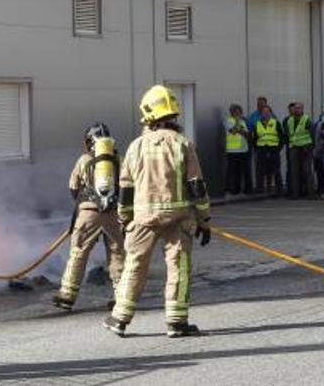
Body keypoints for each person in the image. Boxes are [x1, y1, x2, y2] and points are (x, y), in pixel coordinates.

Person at [105, 85, 210, 338]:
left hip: (142, 218)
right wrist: (204, 220)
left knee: (134, 266)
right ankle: (176, 322)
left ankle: (119, 319)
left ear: (148, 115)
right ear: (173, 115)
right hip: (179, 218)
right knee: (179, 267)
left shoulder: (136, 146)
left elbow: (125, 188)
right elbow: (196, 185)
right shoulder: (183, 144)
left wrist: (123, 219)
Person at [53, 123, 127, 311]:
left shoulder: (84, 159)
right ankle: (121, 298)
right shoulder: (120, 159)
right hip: (113, 214)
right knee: (117, 254)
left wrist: (85, 203)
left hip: (89, 214)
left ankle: (67, 296)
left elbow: (73, 186)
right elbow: (128, 187)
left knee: (78, 252)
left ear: (89, 141)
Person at [283, 102, 315, 199]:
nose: (296, 110)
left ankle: (311, 193)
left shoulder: (306, 120)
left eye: (299, 108)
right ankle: (295, 193)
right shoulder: (289, 120)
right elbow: (289, 134)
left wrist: (309, 147)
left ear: (302, 109)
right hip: (294, 147)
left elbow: (311, 134)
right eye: (295, 108)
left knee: (307, 171)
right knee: (294, 171)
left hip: (305, 147)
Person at [253, 104, 284, 195]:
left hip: (273, 149)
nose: (266, 114)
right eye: (264, 112)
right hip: (261, 149)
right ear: (261, 114)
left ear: (270, 113)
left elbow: (281, 137)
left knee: (276, 171)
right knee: (260, 171)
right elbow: (254, 138)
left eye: (267, 112)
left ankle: (279, 190)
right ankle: (260, 190)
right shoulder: (257, 124)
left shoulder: (276, 123)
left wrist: (278, 148)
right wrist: (257, 148)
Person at [246, 96, 275, 189]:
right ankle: (259, 187)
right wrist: (254, 144)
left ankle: (269, 186)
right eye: (258, 104)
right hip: (258, 147)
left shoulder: (272, 116)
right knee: (259, 167)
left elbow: (277, 132)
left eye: (262, 104)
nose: (260, 106)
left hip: (270, 147)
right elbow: (249, 130)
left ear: (265, 104)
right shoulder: (253, 116)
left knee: (270, 167)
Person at [223, 104, 251, 195]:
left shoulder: (243, 121)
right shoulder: (228, 121)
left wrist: (240, 130)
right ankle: (234, 190)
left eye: (239, 111)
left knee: (244, 171)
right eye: (235, 111)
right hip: (233, 150)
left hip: (243, 149)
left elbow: (247, 134)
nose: (237, 113)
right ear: (231, 112)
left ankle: (246, 190)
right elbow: (233, 131)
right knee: (234, 172)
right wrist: (239, 128)